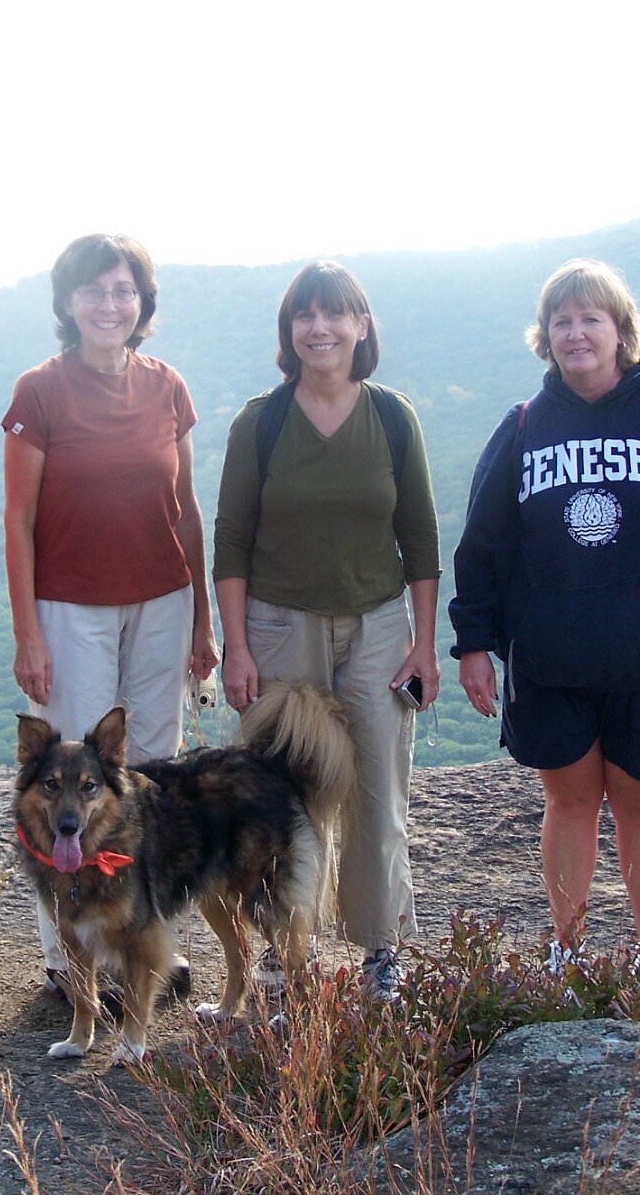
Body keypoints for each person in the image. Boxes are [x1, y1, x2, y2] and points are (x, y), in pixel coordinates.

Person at [448, 258, 640, 993]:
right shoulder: (523, 427)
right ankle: (568, 949)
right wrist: (473, 643)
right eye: (562, 321)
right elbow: (481, 544)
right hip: (551, 661)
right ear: (544, 336)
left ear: (620, 331)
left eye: (591, 319)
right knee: (569, 802)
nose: (576, 334)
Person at [213, 260, 440, 999]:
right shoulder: (261, 422)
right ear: (289, 331)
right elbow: (231, 540)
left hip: (378, 627)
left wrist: (424, 644)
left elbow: (420, 535)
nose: (319, 328)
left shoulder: (392, 417)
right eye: (304, 315)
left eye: (335, 313)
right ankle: (284, 951)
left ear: (361, 325)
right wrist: (236, 647)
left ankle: (380, 951)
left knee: (378, 795)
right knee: (281, 796)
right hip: (279, 628)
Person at [1, 234, 217, 1002]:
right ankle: (70, 959)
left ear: (141, 302)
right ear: (67, 302)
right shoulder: (38, 391)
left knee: (151, 774)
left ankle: (145, 944)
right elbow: (17, 519)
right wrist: (27, 633)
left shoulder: (167, 387)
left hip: (163, 599)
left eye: (124, 290)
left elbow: (185, 509)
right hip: (69, 607)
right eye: (93, 290)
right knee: (69, 779)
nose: (109, 304)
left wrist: (202, 623)